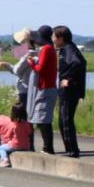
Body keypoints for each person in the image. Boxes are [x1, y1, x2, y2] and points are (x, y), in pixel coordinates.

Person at [53, 25, 86, 158]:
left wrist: (69, 80)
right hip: (67, 90)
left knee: (65, 120)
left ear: (61, 38)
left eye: (54, 37)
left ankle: (72, 151)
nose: (53, 39)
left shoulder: (68, 49)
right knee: (63, 120)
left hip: (69, 91)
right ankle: (70, 150)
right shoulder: (65, 49)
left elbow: (78, 63)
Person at [25, 25, 58, 154]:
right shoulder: (50, 48)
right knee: (43, 119)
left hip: (45, 88)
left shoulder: (46, 49)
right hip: (48, 88)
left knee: (43, 120)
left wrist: (31, 62)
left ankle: (48, 148)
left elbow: (40, 69)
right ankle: (47, 147)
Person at [0, 27, 37, 112]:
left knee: (23, 114)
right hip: (34, 89)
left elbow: (17, 70)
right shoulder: (38, 52)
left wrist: (7, 65)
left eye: (23, 42)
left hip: (25, 89)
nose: (22, 44)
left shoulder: (28, 54)